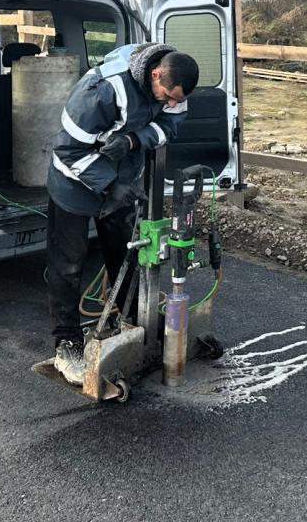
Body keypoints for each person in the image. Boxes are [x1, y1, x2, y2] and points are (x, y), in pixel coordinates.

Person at [45, 42, 199, 385]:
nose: (172, 103)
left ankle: (132, 323)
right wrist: (108, 183)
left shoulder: (175, 85)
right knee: (68, 264)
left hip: (121, 182)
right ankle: (66, 342)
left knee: (126, 254)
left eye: (177, 99)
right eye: (167, 95)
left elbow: (170, 126)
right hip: (73, 183)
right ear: (155, 74)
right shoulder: (102, 91)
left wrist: (132, 142)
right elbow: (68, 151)